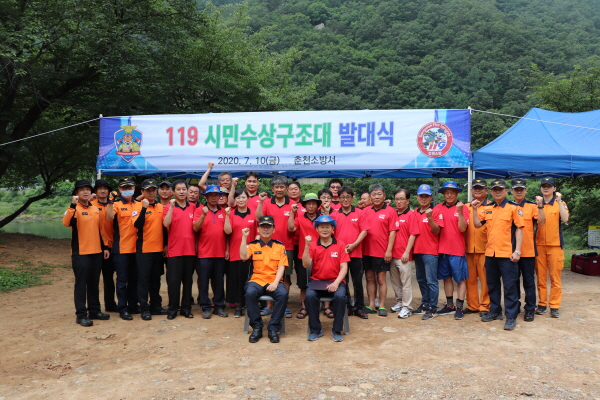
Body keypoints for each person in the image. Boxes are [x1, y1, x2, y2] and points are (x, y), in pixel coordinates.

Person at [472, 179, 525, 331]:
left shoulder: (513, 207)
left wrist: (517, 251)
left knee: (510, 286)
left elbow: (520, 229)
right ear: (491, 191)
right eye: (495, 189)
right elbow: (477, 225)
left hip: (507, 254)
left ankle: (511, 316)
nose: (497, 192)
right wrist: (475, 210)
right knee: (492, 284)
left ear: (506, 191)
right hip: (491, 253)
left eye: (500, 189)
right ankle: (495, 311)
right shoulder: (488, 208)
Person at [63, 179, 110, 327]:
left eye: (88, 189)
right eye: (82, 190)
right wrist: (72, 205)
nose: (85, 192)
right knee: (81, 284)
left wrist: (105, 247)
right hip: (81, 252)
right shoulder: (74, 209)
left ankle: (95, 311)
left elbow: (101, 230)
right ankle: (81, 315)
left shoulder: (95, 208)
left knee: (94, 283)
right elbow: (66, 222)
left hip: (96, 252)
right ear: (76, 193)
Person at [241, 215, 288, 344]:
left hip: (274, 279)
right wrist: (244, 237)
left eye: (268, 227)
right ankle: (257, 327)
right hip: (257, 279)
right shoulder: (253, 245)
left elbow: (282, 267)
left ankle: (273, 328)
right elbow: (243, 256)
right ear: (258, 229)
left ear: (274, 229)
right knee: (250, 293)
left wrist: (275, 283)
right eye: (263, 227)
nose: (266, 229)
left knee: (283, 294)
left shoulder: (279, 246)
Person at [303, 215, 349, 342]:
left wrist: (336, 283)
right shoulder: (312, 245)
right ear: (317, 229)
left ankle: (337, 330)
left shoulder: (340, 245)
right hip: (317, 281)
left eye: (328, 227)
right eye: (321, 227)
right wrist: (306, 246)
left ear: (333, 229)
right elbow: (306, 264)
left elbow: (344, 267)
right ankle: (315, 330)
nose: (325, 229)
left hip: (335, 281)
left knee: (340, 297)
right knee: (310, 296)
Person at [256, 175, 295, 318]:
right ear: (272, 189)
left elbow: (293, 227)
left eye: (282, 187)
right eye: (276, 187)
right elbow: (258, 219)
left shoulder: (293, 204)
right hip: (268, 246)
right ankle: (269, 306)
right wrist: (260, 202)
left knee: (286, 277)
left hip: (287, 246)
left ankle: (283, 305)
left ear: (286, 189)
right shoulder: (267, 203)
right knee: (268, 275)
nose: (279, 189)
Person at [330, 186, 369, 319]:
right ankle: (346, 306)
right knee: (343, 281)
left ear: (353, 198)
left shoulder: (360, 213)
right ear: (338, 198)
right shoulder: (334, 215)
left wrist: (354, 245)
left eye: (348, 197)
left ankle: (359, 307)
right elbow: (330, 233)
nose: (345, 199)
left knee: (357, 281)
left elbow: (364, 231)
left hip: (356, 253)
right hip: (340, 255)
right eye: (342, 197)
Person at [433, 181, 470, 320]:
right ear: (443, 194)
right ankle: (450, 306)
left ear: (456, 193)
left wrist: (459, 212)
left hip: (457, 250)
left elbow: (463, 228)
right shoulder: (438, 208)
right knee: (446, 278)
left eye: (452, 192)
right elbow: (435, 229)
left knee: (460, 279)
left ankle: (459, 307)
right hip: (442, 250)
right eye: (446, 193)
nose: (449, 195)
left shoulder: (463, 208)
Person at [132, 179, 168, 320]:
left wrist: (165, 245)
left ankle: (155, 306)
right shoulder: (137, 206)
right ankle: (144, 308)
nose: (151, 193)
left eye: (153, 190)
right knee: (144, 280)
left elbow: (164, 228)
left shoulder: (160, 207)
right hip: (144, 249)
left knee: (155, 279)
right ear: (142, 192)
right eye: (148, 191)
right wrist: (144, 208)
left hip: (158, 250)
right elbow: (137, 225)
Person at [361, 184, 398, 317]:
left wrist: (389, 251)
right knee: (369, 278)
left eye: (379, 194)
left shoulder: (390, 211)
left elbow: (393, 232)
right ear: (370, 197)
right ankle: (371, 304)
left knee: (381, 279)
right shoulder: (365, 211)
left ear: (384, 196)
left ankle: (382, 305)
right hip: (366, 251)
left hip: (382, 251)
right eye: (374, 194)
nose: (376, 197)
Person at [106, 177, 139, 320]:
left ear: (134, 188)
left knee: (134, 279)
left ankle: (133, 305)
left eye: (130, 187)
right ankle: (122, 308)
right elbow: (109, 218)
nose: (127, 190)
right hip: (121, 249)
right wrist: (110, 202)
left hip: (137, 249)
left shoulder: (138, 204)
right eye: (124, 188)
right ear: (119, 189)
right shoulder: (116, 204)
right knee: (122, 281)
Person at [535, 176, 569, 318]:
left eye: (549, 186)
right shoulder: (536, 204)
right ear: (541, 188)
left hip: (555, 245)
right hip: (539, 245)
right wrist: (539, 205)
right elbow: (538, 222)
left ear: (554, 188)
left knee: (555, 277)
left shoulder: (560, 203)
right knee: (541, 278)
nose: (546, 188)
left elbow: (565, 219)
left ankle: (554, 306)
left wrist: (559, 201)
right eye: (544, 186)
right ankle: (542, 304)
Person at [163, 180, 196, 320]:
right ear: (173, 192)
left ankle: (186, 308)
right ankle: (172, 309)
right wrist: (171, 207)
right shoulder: (167, 207)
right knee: (173, 283)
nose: (182, 191)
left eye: (184, 189)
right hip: (174, 251)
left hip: (190, 251)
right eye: (178, 189)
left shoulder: (193, 207)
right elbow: (166, 223)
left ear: (187, 191)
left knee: (188, 282)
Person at [193, 185, 228, 319]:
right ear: (206, 197)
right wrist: (203, 215)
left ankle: (219, 306)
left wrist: (227, 249)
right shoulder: (199, 210)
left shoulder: (224, 211)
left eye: (216, 195)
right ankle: (205, 307)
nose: (214, 198)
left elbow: (228, 233)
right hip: (204, 253)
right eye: (211, 195)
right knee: (203, 282)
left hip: (220, 252)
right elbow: (195, 228)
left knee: (219, 281)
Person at [510, 178, 542, 322]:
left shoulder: (532, 206)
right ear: (511, 191)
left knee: (529, 281)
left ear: (526, 191)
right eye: (516, 189)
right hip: (511, 250)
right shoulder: (508, 206)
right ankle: (515, 305)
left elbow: (541, 221)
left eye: (521, 189)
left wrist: (540, 206)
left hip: (528, 251)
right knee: (513, 281)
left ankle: (530, 308)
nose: (519, 192)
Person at [224, 189, 258, 317]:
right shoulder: (231, 214)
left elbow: (258, 234)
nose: (241, 200)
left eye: (243, 197)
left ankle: (250, 304)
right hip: (235, 252)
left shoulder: (254, 214)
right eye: (238, 198)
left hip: (250, 254)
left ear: (248, 199)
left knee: (249, 279)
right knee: (237, 280)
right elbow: (227, 231)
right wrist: (227, 216)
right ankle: (238, 306)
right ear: (235, 200)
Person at [288, 193, 322, 319]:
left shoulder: (322, 218)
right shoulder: (300, 218)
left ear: (317, 206)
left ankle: (326, 306)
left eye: (314, 204)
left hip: (320, 255)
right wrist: (292, 213)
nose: (311, 206)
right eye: (309, 204)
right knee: (304, 283)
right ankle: (304, 306)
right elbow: (291, 228)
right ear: (305, 206)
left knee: (322, 280)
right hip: (304, 255)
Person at [412, 184, 442, 321]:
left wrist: (430, 218)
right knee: (421, 279)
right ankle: (425, 303)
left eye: (426, 196)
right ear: (417, 197)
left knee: (431, 281)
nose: (423, 198)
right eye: (421, 196)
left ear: (430, 197)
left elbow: (437, 231)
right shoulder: (415, 212)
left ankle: (432, 307)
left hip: (430, 252)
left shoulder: (435, 212)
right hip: (417, 251)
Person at [390, 188, 419, 319]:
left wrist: (407, 252)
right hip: (392, 254)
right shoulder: (393, 213)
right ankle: (400, 302)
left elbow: (413, 234)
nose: (399, 201)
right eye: (397, 199)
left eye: (402, 199)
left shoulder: (411, 215)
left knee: (405, 282)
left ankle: (407, 307)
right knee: (395, 281)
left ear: (408, 200)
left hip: (404, 255)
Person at [465, 178, 490, 316]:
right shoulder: (465, 207)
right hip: (468, 249)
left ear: (486, 191)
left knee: (486, 280)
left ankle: (485, 305)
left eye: (481, 188)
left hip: (485, 249)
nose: (478, 190)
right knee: (470, 279)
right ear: (471, 191)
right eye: (475, 188)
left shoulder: (491, 206)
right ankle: (472, 305)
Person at [91, 179, 117, 312]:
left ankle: (110, 304)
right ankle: (94, 308)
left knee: (109, 278)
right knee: (93, 278)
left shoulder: (114, 205)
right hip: (95, 246)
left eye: (105, 188)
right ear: (95, 191)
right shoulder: (90, 204)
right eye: (99, 188)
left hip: (111, 246)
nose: (102, 191)